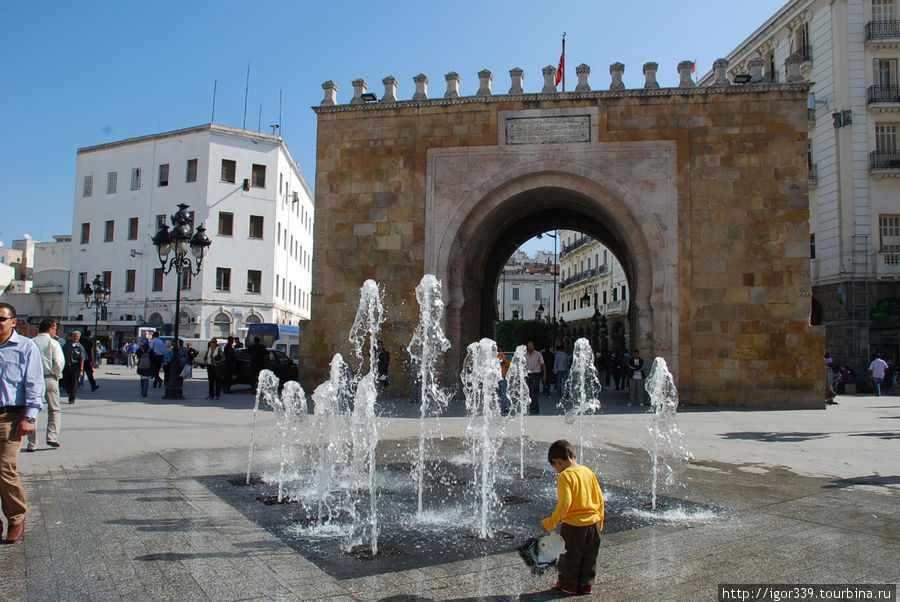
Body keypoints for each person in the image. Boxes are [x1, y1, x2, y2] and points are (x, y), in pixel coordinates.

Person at [0, 302, 44, 543]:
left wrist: (30, 416)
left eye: (1, 319)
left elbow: (34, 384)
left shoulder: (26, 347)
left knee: (5, 469)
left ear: (13, 322)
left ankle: (16, 518)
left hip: (10, 417)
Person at [541, 439, 604, 596]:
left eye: (555, 466)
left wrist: (550, 523)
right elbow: (600, 499)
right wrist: (599, 522)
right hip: (594, 523)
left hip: (574, 526)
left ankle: (568, 585)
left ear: (557, 462)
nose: (557, 470)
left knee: (570, 557)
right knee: (590, 556)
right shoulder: (588, 472)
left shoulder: (565, 476)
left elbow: (565, 504)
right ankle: (586, 585)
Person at [26, 319, 65, 452]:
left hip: (33, 380)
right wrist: (57, 375)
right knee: (54, 409)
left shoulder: (30, 342)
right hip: (49, 378)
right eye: (55, 329)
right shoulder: (53, 343)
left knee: (32, 410)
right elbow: (59, 363)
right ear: (50, 329)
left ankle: (32, 443)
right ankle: (52, 437)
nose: (56, 331)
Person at [61, 331, 86, 404]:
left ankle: (72, 398)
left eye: (77, 337)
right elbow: (62, 355)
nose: (75, 338)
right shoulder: (67, 345)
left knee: (74, 383)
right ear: (72, 336)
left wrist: (81, 370)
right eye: (74, 336)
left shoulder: (80, 347)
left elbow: (82, 359)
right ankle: (69, 392)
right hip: (67, 366)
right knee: (66, 382)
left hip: (75, 367)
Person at [525, 340, 546, 414]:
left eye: (531, 346)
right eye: (528, 346)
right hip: (528, 374)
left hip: (536, 374)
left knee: (534, 392)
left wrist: (544, 375)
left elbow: (543, 364)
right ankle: (532, 408)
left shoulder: (538, 354)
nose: (529, 347)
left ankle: (534, 409)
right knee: (529, 392)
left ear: (533, 346)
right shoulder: (526, 355)